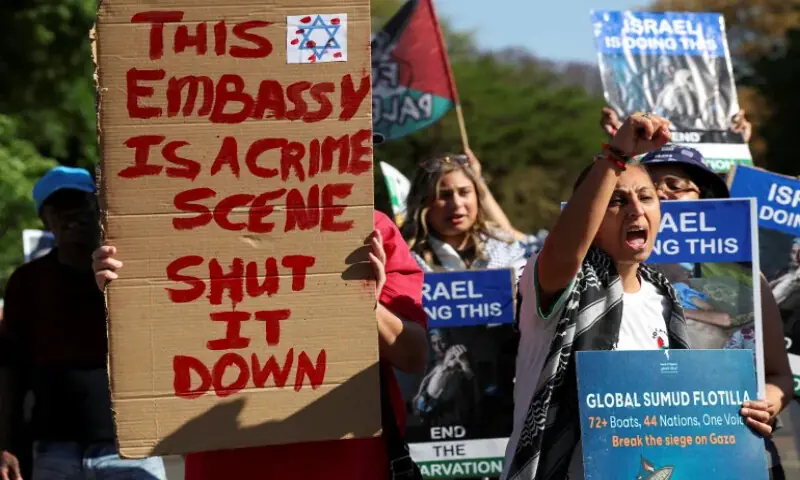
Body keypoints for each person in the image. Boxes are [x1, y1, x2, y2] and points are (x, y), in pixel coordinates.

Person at [503, 113, 775, 480]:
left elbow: (679, 410)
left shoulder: (665, 298)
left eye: (646, 198)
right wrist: (615, 155)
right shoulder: (558, 281)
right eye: (616, 200)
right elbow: (566, 250)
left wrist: (741, 416)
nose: (636, 209)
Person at [92, 209, 429, 480]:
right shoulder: (176, 230)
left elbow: (413, 356)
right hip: (223, 464)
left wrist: (366, 303)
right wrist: (128, 294)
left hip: (351, 466)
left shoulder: (366, 230)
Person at [0, 166, 166, 480]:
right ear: (45, 220)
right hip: (53, 449)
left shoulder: (131, 272)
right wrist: (6, 443)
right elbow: (11, 367)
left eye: (80, 204)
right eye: (59, 208)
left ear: (98, 208)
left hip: (129, 446)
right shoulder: (27, 282)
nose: (72, 215)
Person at [638, 144, 793, 479]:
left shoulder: (746, 278)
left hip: (736, 451)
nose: (661, 195)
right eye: (646, 191)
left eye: (674, 186)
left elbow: (779, 376)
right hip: (642, 449)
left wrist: (766, 404)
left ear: (705, 198)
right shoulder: (608, 278)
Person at [412, 330, 478, 426]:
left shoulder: (461, 359)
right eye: (434, 344)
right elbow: (426, 383)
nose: (438, 347)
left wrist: (464, 364)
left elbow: (471, 382)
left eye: (441, 341)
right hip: (434, 417)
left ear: (449, 341)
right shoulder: (432, 365)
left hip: (456, 417)